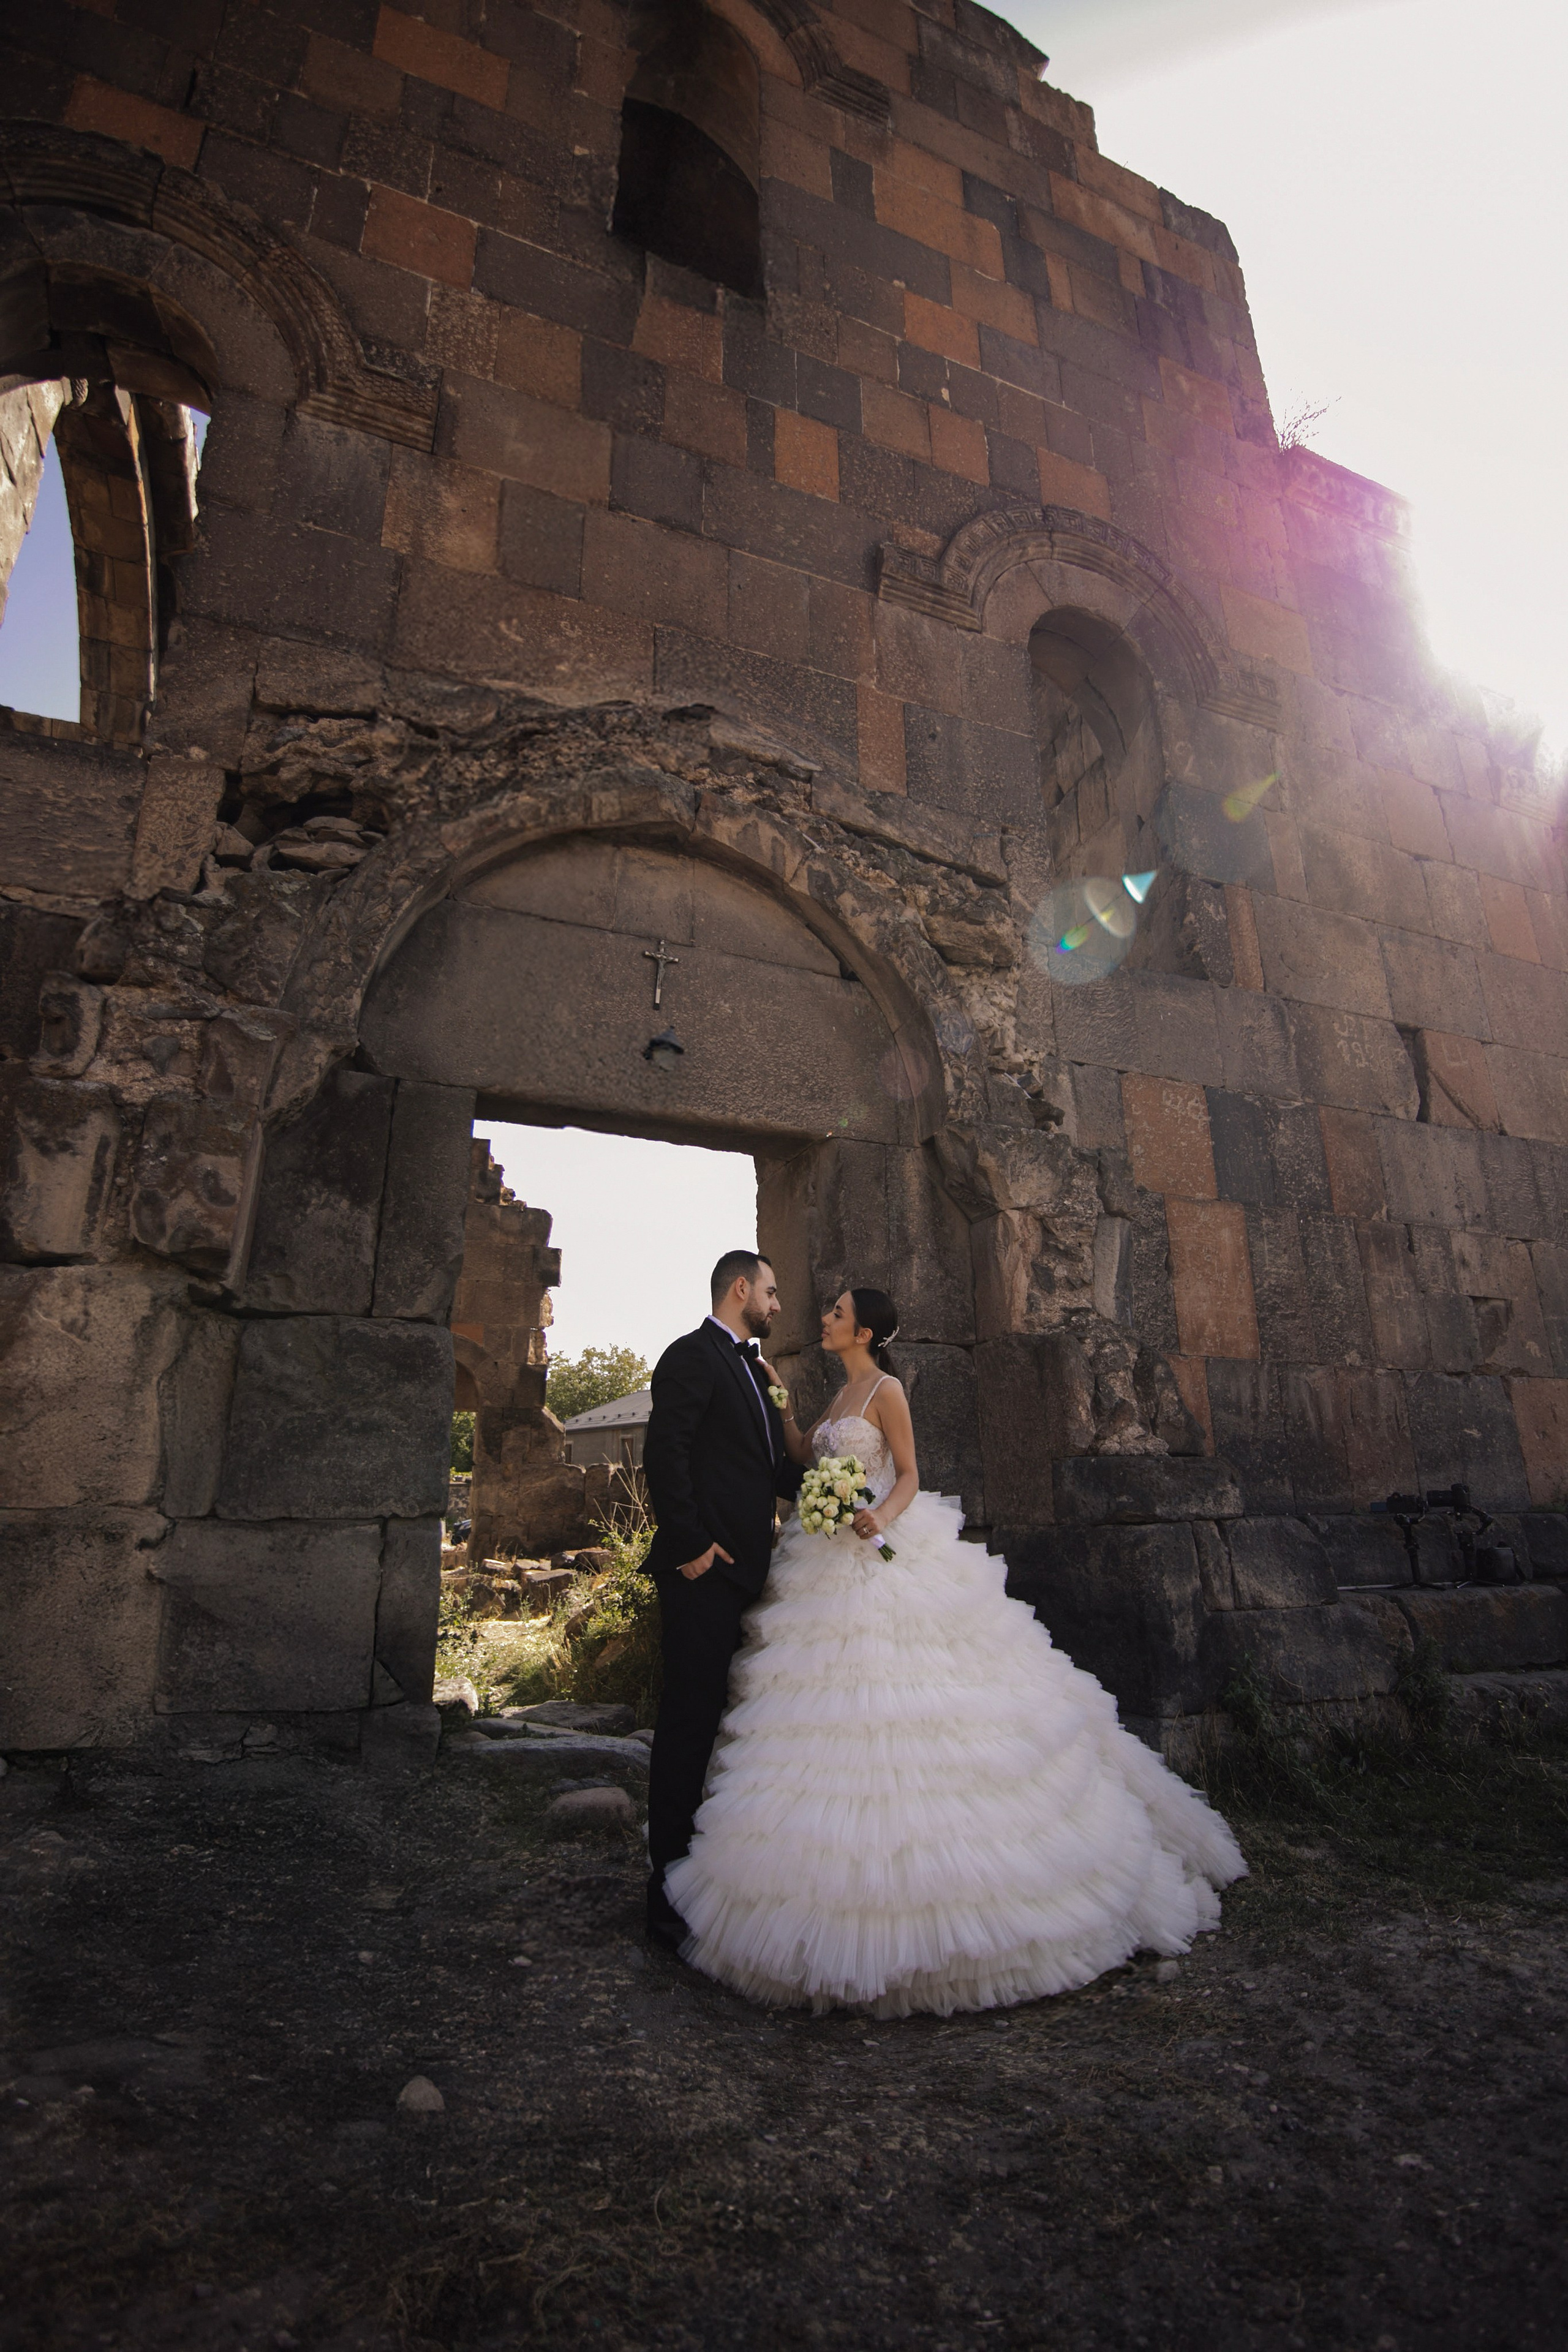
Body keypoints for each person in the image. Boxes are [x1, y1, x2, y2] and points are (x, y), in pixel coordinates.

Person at [664, 1286, 1246, 2016]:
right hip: (822, 1558)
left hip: (877, 1550)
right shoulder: (837, 1394)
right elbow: (806, 1462)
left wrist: (878, 1517)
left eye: (836, 1313)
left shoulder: (885, 1388)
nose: (823, 1318)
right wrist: (784, 1414)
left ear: (864, 1330)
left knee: (908, 1698)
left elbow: (908, 1474)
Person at [641, 1248, 802, 1951]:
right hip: (703, 1576)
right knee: (688, 1721)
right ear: (740, 1289)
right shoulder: (691, 1356)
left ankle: (714, 1873)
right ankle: (666, 1885)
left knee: (728, 1726)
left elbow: (772, 1469)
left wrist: (848, 1501)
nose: (776, 1305)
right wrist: (693, 1547)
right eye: (770, 1292)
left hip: (750, 1577)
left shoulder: (759, 1371)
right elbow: (664, 1454)